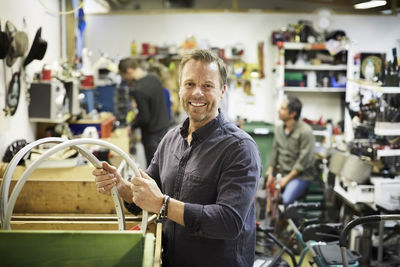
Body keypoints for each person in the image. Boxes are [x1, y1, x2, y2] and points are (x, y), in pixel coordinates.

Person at [93, 49, 261, 267]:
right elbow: (145, 199)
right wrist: (121, 186)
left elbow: (228, 222)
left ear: (222, 92)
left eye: (207, 86)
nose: (197, 93)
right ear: (180, 88)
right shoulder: (171, 139)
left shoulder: (239, 148)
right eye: (190, 84)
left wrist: (163, 205)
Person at [118, 58, 170, 166]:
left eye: (124, 76)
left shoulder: (139, 89)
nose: (125, 79)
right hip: (164, 128)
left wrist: (131, 126)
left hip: (151, 135)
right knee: (163, 164)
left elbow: (145, 118)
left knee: (153, 167)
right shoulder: (154, 78)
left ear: (128, 71)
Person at [266, 95, 315, 206]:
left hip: (300, 176)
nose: (278, 110)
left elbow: (303, 160)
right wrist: (269, 173)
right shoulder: (278, 129)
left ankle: (293, 223)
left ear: (292, 114)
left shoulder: (305, 131)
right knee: (264, 195)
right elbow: (275, 152)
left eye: (283, 109)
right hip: (283, 173)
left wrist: (286, 179)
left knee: (286, 200)